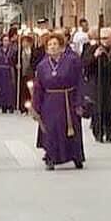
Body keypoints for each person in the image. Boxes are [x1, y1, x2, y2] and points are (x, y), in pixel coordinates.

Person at [32, 33, 85, 170]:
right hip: (50, 102)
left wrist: (79, 102)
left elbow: (79, 82)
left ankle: (75, 156)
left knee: (71, 129)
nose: (53, 47)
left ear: (61, 46)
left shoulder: (72, 61)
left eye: (55, 44)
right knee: (51, 130)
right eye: (50, 45)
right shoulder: (42, 66)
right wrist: (35, 107)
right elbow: (38, 88)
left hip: (68, 100)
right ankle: (51, 157)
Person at [83, 27, 111, 143]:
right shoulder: (93, 48)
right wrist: (95, 56)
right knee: (98, 108)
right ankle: (98, 132)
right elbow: (85, 63)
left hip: (110, 83)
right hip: (97, 83)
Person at [0, 35, 17, 113]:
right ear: (2, 41)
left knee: (10, 89)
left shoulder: (12, 51)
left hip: (9, 71)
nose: (6, 42)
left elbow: (15, 61)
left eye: (7, 40)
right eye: (4, 40)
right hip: (0, 72)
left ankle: (11, 105)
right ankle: (3, 106)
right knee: (2, 88)